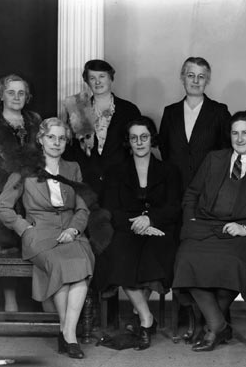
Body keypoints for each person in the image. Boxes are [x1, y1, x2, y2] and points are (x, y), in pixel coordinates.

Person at [173, 111, 246, 352]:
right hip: (205, 227)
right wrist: (191, 220)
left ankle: (214, 328)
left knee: (229, 262)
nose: (239, 137)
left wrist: (245, 228)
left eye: (245, 132)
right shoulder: (214, 159)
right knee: (186, 258)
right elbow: (192, 193)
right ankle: (218, 325)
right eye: (235, 132)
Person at [0, 118, 95, 359]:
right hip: (39, 234)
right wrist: (25, 228)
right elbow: (3, 207)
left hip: (71, 231)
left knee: (82, 263)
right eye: (51, 137)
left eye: (62, 138)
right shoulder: (24, 170)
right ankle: (70, 336)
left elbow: (83, 209)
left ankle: (66, 332)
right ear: (41, 140)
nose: (57, 142)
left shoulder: (73, 168)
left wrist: (73, 230)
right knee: (60, 264)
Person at [94, 116, 182, 350]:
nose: (140, 142)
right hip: (127, 229)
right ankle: (146, 318)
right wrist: (137, 224)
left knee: (154, 253)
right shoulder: (116, 172)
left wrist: (151, 220)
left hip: (160, 229)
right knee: (121, 254)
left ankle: (140, 316)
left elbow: (174, 207)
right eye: (134, 138)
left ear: (152, 139)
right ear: (128, 142)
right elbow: (110, 208)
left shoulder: (169, 170)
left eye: (144, 137)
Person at [0, 74, 42, 312]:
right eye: (11, 92)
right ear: (0, 95)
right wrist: (10, 185)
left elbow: (43, 160)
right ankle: (10, 301)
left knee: (38, 245)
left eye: (21, 93)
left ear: (27, 97)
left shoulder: (35, 122)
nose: (16, 97)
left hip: (34, 196)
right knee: (5, 250)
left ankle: (44, 299)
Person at [61, 59, 141, 198]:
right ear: (87, 81)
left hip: (120, 183)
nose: (97, 82)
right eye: (92, 78)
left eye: (102, 76)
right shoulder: (78, 109)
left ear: (111, 78)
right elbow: (70, 149)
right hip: (86, 183)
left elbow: (136, 147)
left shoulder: (129, 110)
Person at [159, 56, 231, 193]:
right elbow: (164, 149)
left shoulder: (219, 112)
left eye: (201, 76)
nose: (196, 81)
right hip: (175, 188)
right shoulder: (170, 112)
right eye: (191, 75)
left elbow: (226, 150)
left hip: (209, 189)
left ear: (207, 80)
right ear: (182, 78)